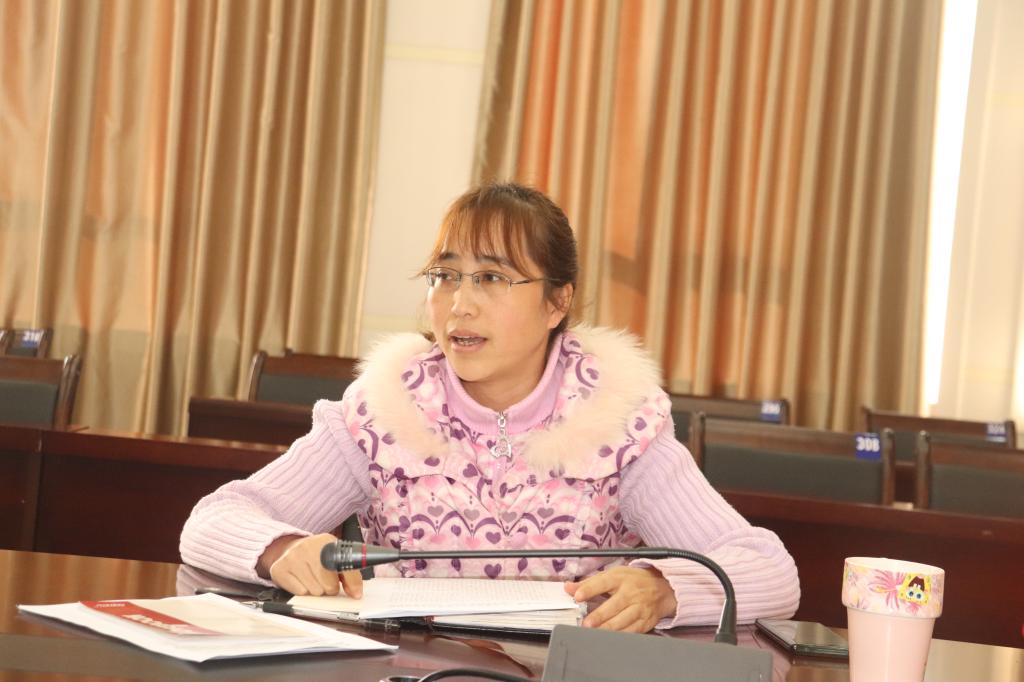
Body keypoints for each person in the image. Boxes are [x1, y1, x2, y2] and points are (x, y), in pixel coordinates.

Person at [180, 183, 800, 633]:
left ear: (557, 302)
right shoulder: (383, 411)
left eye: (493, 279)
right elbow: (213, 519)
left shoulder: (618, 421)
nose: (460, 305)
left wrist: (664, 589)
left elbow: (768, 570)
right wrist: (280, 548)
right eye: (446, 276)